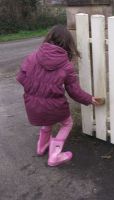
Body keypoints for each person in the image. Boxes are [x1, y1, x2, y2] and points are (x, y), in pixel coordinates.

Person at [16, 25, 105, 167]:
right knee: (67, 123)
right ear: (68, 44)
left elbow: (20, 77)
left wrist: (35, 89)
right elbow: (74, 91)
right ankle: (54, 156)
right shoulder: (66, 66)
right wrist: (89, 99)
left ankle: (41, 147)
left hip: (32, 104)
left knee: (47, 121)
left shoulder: (32, 57)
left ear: (49, 38)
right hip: (55, 106)